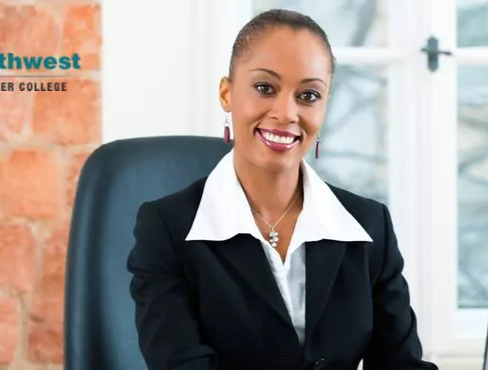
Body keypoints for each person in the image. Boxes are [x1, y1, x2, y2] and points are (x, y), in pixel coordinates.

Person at [126, 8, 438, 370]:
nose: (286, 112)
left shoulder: (369, 226)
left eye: (308, 95)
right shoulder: (167, 229)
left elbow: (401, 364)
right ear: (227, 94)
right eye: (264, 88)